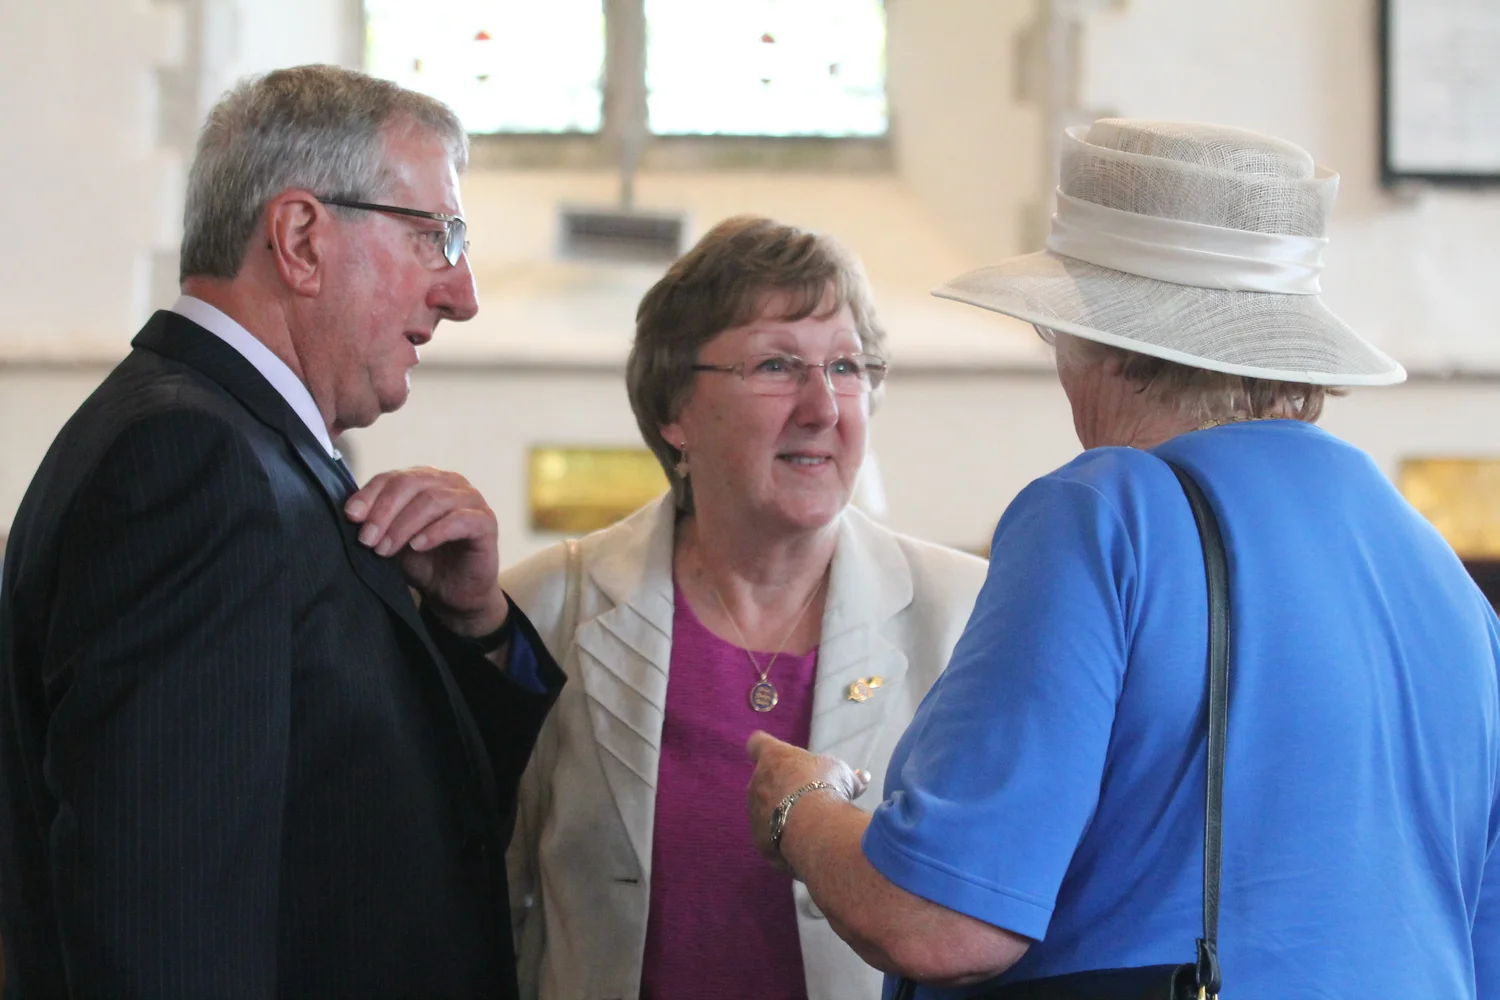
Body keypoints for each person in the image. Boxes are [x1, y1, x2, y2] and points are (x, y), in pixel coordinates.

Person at [745, 119, 1500, 998]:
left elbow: (942, 922)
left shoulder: (1107, 514)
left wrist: (799, 808)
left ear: (1102, 345)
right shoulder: (1439, 576)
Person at [0, 65, 563, 998]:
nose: (461, 294)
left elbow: (373, 820)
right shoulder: (190, 464)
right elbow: (164, 918)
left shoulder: (248, 447)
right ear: (302, 240)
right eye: (435, 237)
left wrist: (470, 627)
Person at [499, 215, 988, 1000]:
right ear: (675, 410)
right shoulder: (551, 607)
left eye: (846, 366)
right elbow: (493, 903)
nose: (823, 407)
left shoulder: (965, 615)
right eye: (776, 365)